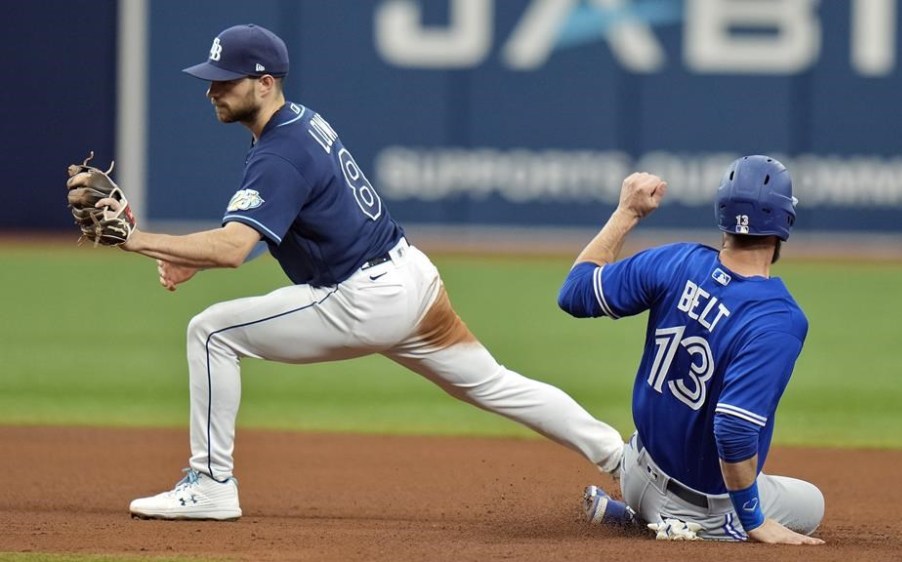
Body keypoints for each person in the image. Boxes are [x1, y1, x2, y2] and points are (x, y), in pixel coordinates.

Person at [119, 23, 624, 521]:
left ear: (265, 82)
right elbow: (268, 228)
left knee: (211, 333)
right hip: (411, 278)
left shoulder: (279, 151)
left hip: (365, 296)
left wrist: (133, 239)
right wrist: (192, 259)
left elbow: (234, 246)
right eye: (211, 78)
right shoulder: (298, 123)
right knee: (498, 385)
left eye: (225, 79)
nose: (212, 90)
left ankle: (211, 484)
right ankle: (623, 459)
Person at [557, 158, 825, 545]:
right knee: (812, 505)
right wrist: (754, 521)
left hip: (636, 470)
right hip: (698, 509)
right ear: (785, 222)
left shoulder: (675, 261)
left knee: (750, 473)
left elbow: (574, 292)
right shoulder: (777, 318)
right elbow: (733, 431)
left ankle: (635, 514)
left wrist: (627, 212)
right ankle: (683, 525)